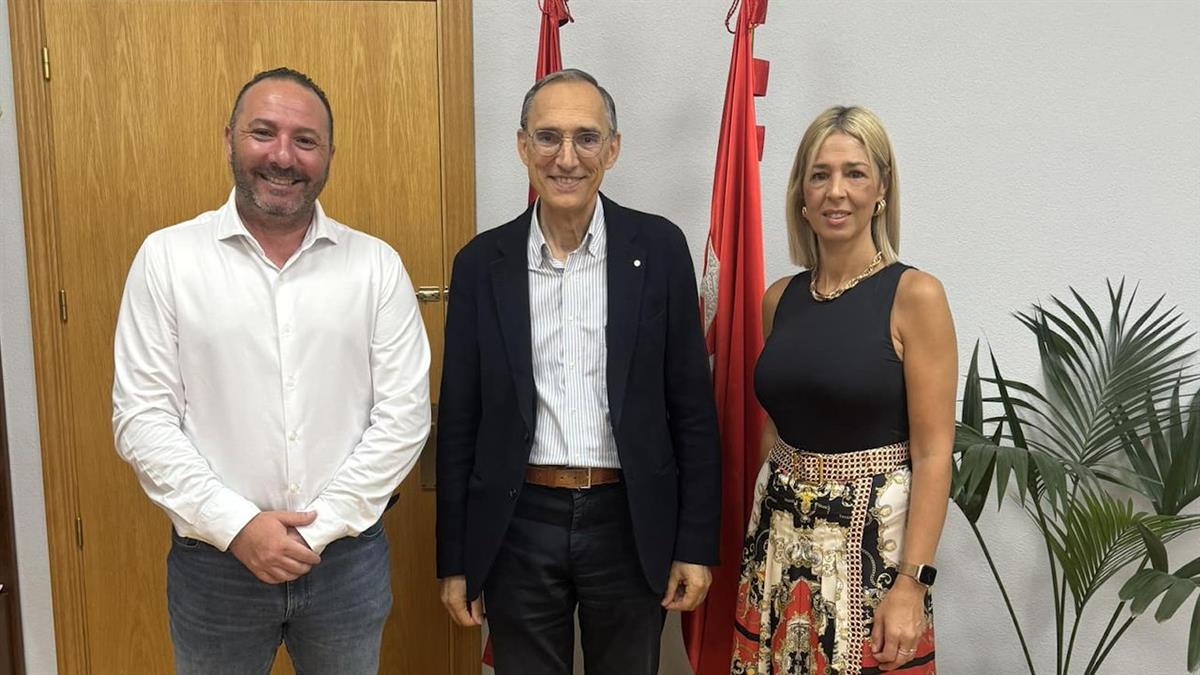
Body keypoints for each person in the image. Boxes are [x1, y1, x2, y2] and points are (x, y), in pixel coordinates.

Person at [111, 67, 431, 674]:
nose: (283, 156)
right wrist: (237, 527)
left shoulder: (376, 266)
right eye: (264, 133)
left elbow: (404, 418)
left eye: (305, 140)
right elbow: (142, 418)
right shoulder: (167, 259)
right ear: (228, 139)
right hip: (215, 565)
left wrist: (315, 530)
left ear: (329, 155)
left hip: (345, 563)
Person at [436, 68, 722, 675]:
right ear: (522, 147)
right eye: (548, 137)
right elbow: (460, 417)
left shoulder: (659, 249)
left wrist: (696, 544)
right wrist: (455, 560)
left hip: (629, 520)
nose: (566, 158)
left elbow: (692, 409)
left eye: (586, 138)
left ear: (612, 149)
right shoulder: (481, 263)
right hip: (518, 521)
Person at [731, 106, 955, 675]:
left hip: (873, 559)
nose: (836, 191)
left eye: (855, 173)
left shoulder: (915, 296)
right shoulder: (780, 299)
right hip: (777, 549)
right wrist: (757, 543)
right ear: (801, 195)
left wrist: (912, 583)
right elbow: (777, 423)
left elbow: (934, 454)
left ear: (881, 188)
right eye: (820, 175)